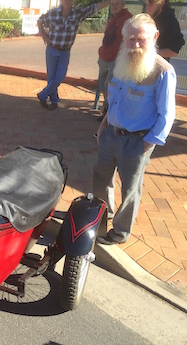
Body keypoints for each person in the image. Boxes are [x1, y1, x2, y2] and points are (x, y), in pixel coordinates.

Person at [93, 13, 176, 245]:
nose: (135, 44)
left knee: (130, 190)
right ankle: (99, 220)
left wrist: (146, 145)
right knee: (100, 178)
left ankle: (120, 232)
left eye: (141, 39)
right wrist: (103, 126)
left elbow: (167, 115)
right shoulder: (121, 62)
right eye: (130, 39)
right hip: (111, 134)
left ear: (155, 36)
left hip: (137, 142)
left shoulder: (162, 71)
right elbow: (115, 100)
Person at [37, 0, 110, 111]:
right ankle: (54, 101)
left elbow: (94, 7)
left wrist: (110, 1)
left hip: (65, 52)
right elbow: (40, 21)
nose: (67, 1)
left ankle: (42, 95)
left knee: (60, 77)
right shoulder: (53, 13)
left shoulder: (78, 14)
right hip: (51, 50)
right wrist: (44, 36)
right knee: (51, 78)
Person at [96, 0, 132, 121]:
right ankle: (106, 110)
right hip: (104, 58)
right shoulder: (112, 18)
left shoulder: (128, 19)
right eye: (112, 4)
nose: (114, 7)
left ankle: (109, 114)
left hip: (115, 61)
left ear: (123, 4)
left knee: (110, 87)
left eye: (117, 4)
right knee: (102, 84)